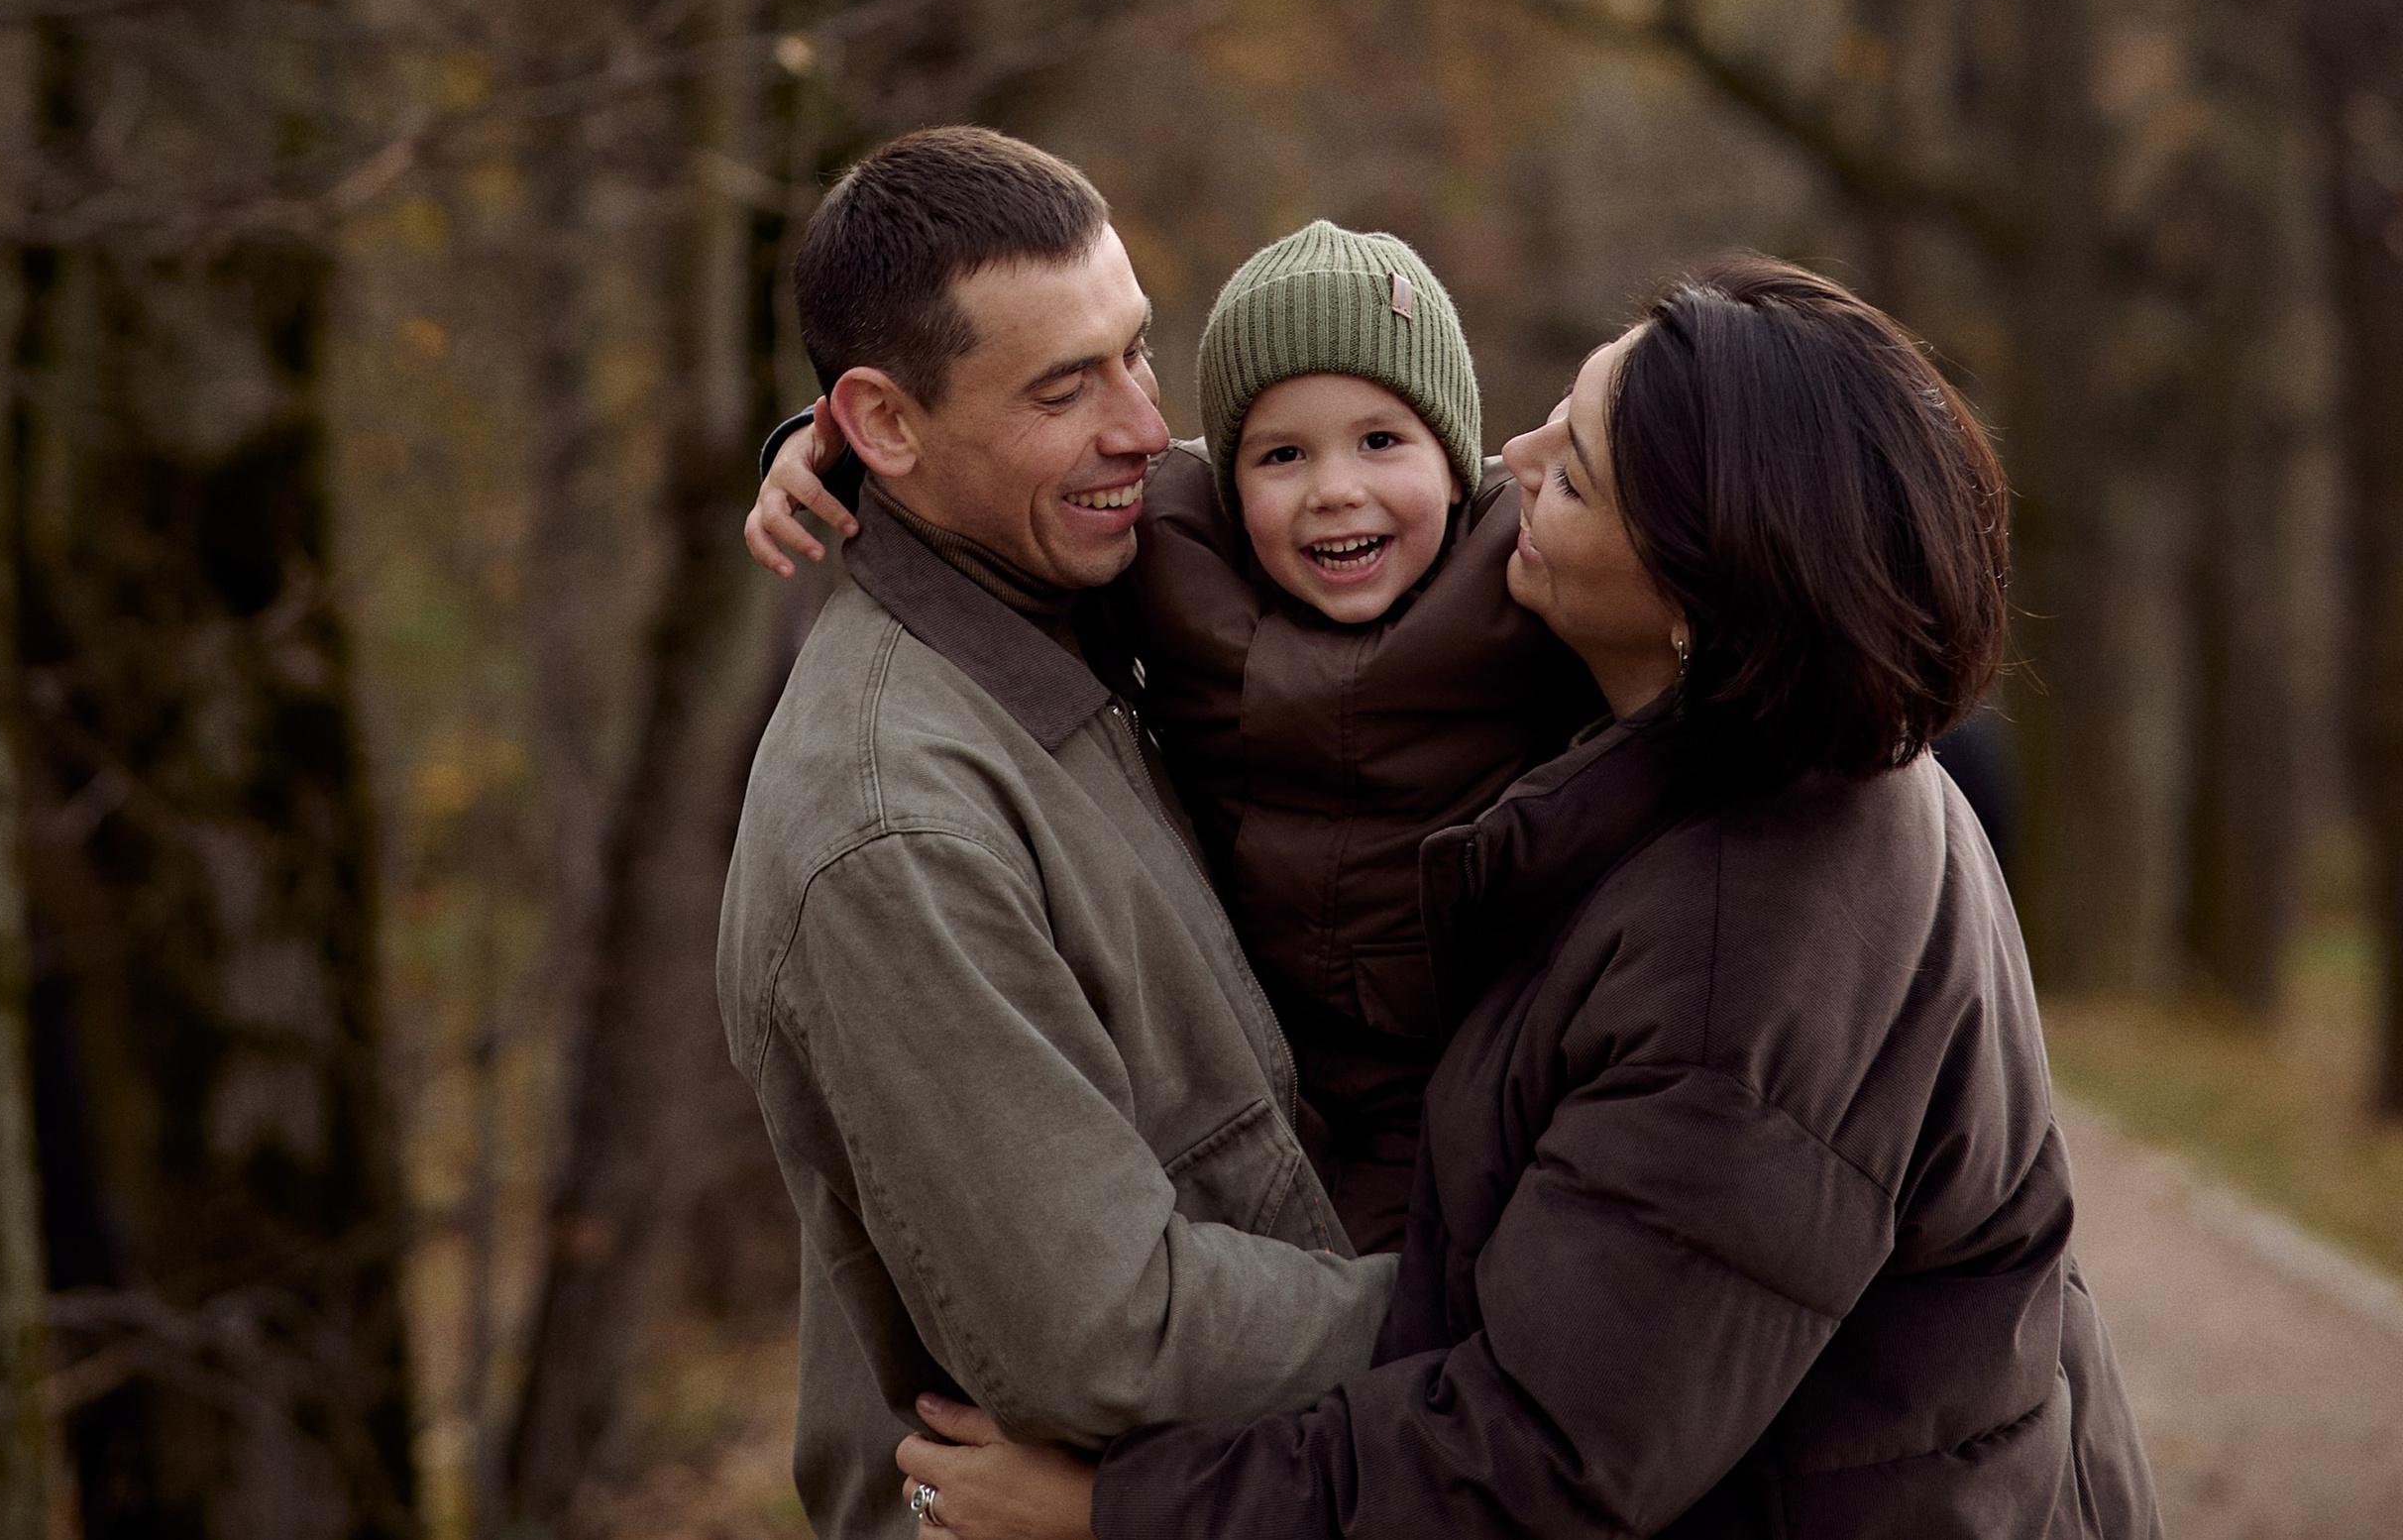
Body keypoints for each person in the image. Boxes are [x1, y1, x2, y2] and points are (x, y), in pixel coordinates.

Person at [892, 258, 2162, 1540]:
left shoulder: (1758, 955)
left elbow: (1543, 1452)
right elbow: (1207, 503)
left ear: (1695, 590)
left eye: (1571, 471)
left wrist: (1116, 1508)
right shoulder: (1716, 724)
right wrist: (877, 468)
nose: (1509, 454)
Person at [713, 130, 1392, 1540]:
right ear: (888, 427)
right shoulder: (890, 830)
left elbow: (1428, 500)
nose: (1146, 425)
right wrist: (1510, 1315)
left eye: (1136, 350)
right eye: (1065, 386)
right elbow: (1104, 1327)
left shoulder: (1102, 558)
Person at [753, 217, 1597, 1245]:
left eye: (1384, 441)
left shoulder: (1522, 568)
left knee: (1487, 1280)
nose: (1336, 488)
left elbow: (1668, 531)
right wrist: (826, 454)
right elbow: (980, 478)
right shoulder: (1176, 556)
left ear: (1458, 460)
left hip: (1482, 1051)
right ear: (1231, 478)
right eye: (1281, 453)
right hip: (1285, 1071)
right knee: (1360, 1304)